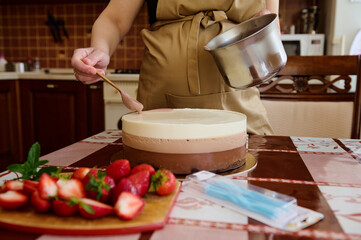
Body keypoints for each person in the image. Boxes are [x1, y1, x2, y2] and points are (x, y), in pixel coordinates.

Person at [72, 0, 279, 135]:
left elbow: (272, 23)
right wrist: (99, 49)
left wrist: (262, 26)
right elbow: (114, 19)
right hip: (160, 99)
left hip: (239, 100)